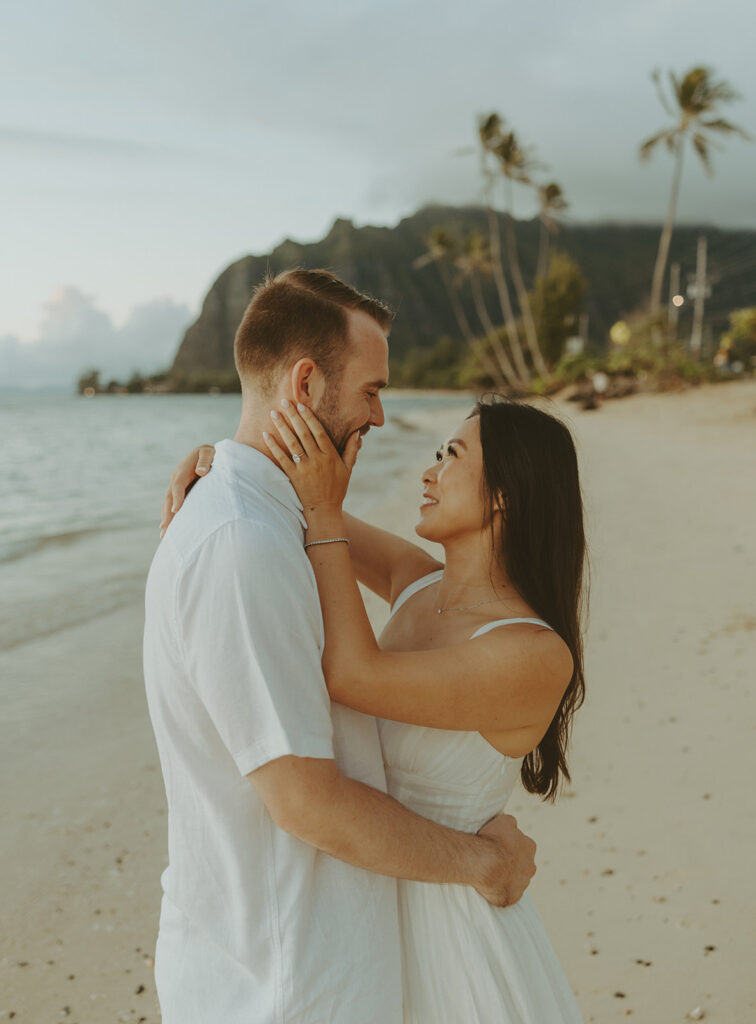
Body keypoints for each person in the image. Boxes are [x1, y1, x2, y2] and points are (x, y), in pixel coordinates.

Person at [144, 268, 537, 1024]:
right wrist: (483, 861)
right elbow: (307, 803)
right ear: (304, 382)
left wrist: (225, 458)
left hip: (307, 956)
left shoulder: (272, 520)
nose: (382, 417)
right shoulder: (242, 545)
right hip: (283, 980)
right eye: (371, 390)